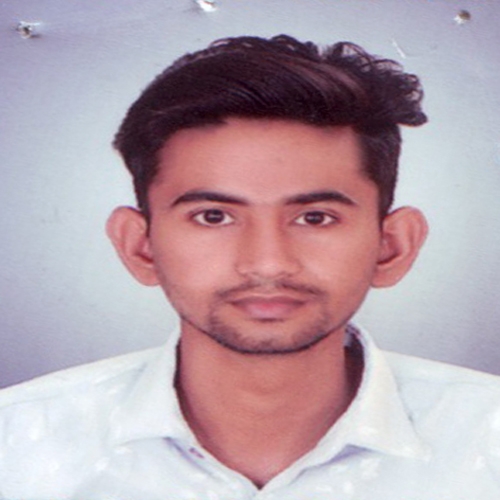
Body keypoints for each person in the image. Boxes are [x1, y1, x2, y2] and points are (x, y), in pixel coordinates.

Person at [0, 34, 499, 499]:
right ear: (140, 247)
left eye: (315, 217)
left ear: (392, 247)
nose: (267, 263)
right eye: (213, 216)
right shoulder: (16, 447)